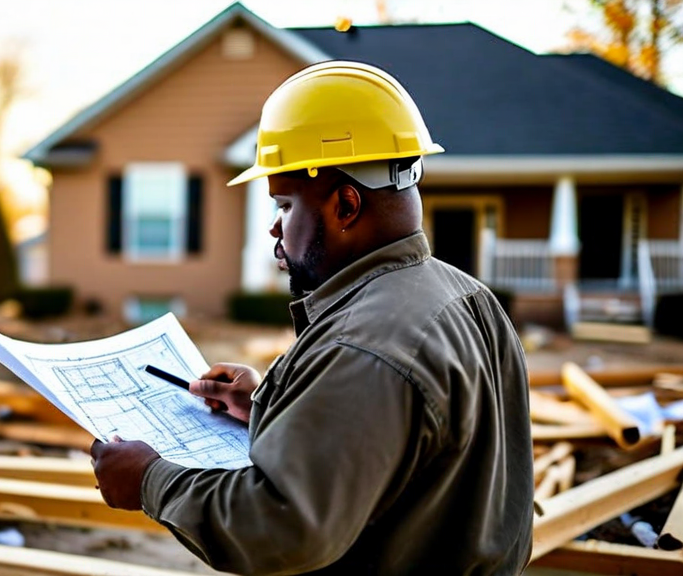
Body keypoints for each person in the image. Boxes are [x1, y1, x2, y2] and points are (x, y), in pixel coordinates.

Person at [90, 60, 534, 575]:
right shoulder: (469, 299)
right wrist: (271, 406)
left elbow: (283, 528)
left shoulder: (365, 345)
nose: (274, 229)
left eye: (283, 205)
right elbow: (402, 454)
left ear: (345, 206)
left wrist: (149, 480)